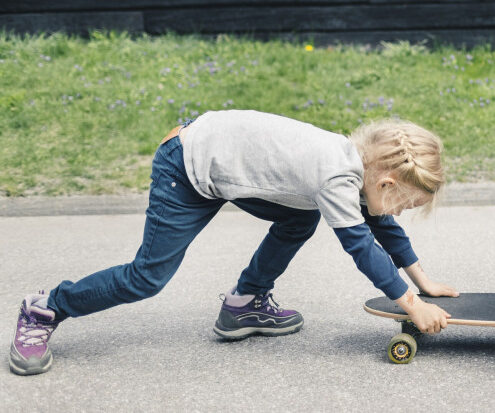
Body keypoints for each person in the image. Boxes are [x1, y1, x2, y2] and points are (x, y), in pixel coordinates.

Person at [9, 110, 459, 376]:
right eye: (404, 202)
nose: (400, 212)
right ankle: (46, 307)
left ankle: (244, 302)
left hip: (222, 161)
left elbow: (382, 226)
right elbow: (362, 245)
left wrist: (424, 283)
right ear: (384, 180)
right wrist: (411, 306)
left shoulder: (353, 166)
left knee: (298, 220)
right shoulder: (334, 176)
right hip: (186, 168)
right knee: (147, 277)